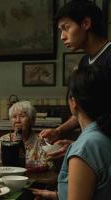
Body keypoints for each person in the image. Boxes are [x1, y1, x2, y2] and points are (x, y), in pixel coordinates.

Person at [39, 0, 111, 159]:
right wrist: (59, 131)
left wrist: (82, 145)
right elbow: (82, 110)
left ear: (86, 23)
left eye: (66, 28)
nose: (62, 37)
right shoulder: (85, 62)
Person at [32, 64, 111, 200]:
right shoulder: (101, 134)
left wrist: (78, 152)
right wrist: (54, 195)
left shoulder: (86, 147)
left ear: (73, 102)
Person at [0, 101, 53, 169]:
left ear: (31, 120)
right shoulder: (2, 140)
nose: (18, 120)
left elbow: (47, 166)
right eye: (14, 117)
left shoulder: (41, 141)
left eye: (22, 116)